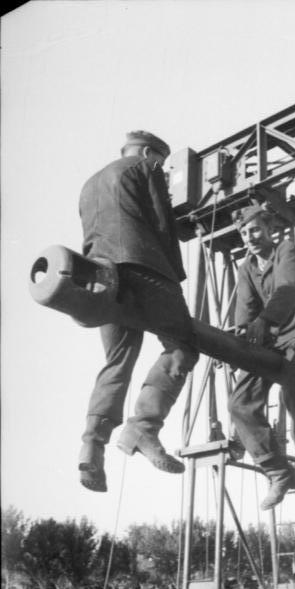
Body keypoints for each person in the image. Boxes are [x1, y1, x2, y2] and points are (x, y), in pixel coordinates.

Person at [78, 130, 199, 492]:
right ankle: (144, 427)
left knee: (117, 361)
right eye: (162, 164)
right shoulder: (145, 167)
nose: (163, 172)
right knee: (182, 346)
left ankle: (91, 446)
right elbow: (162, 224)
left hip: (101, 273)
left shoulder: (89, 183)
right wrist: (174, 277)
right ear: (149, 152)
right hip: (142, 265)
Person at [229, 204, 295, 509]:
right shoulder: (246, 269)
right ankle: (277, 471)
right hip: (270, 344)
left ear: (269, 229)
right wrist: (234, 345)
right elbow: (245, 313)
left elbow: (287, 290)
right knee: (239, 403)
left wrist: (266, 322)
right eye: (244, 233)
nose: (250, 237)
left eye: (255, 229)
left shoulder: (286, 251)